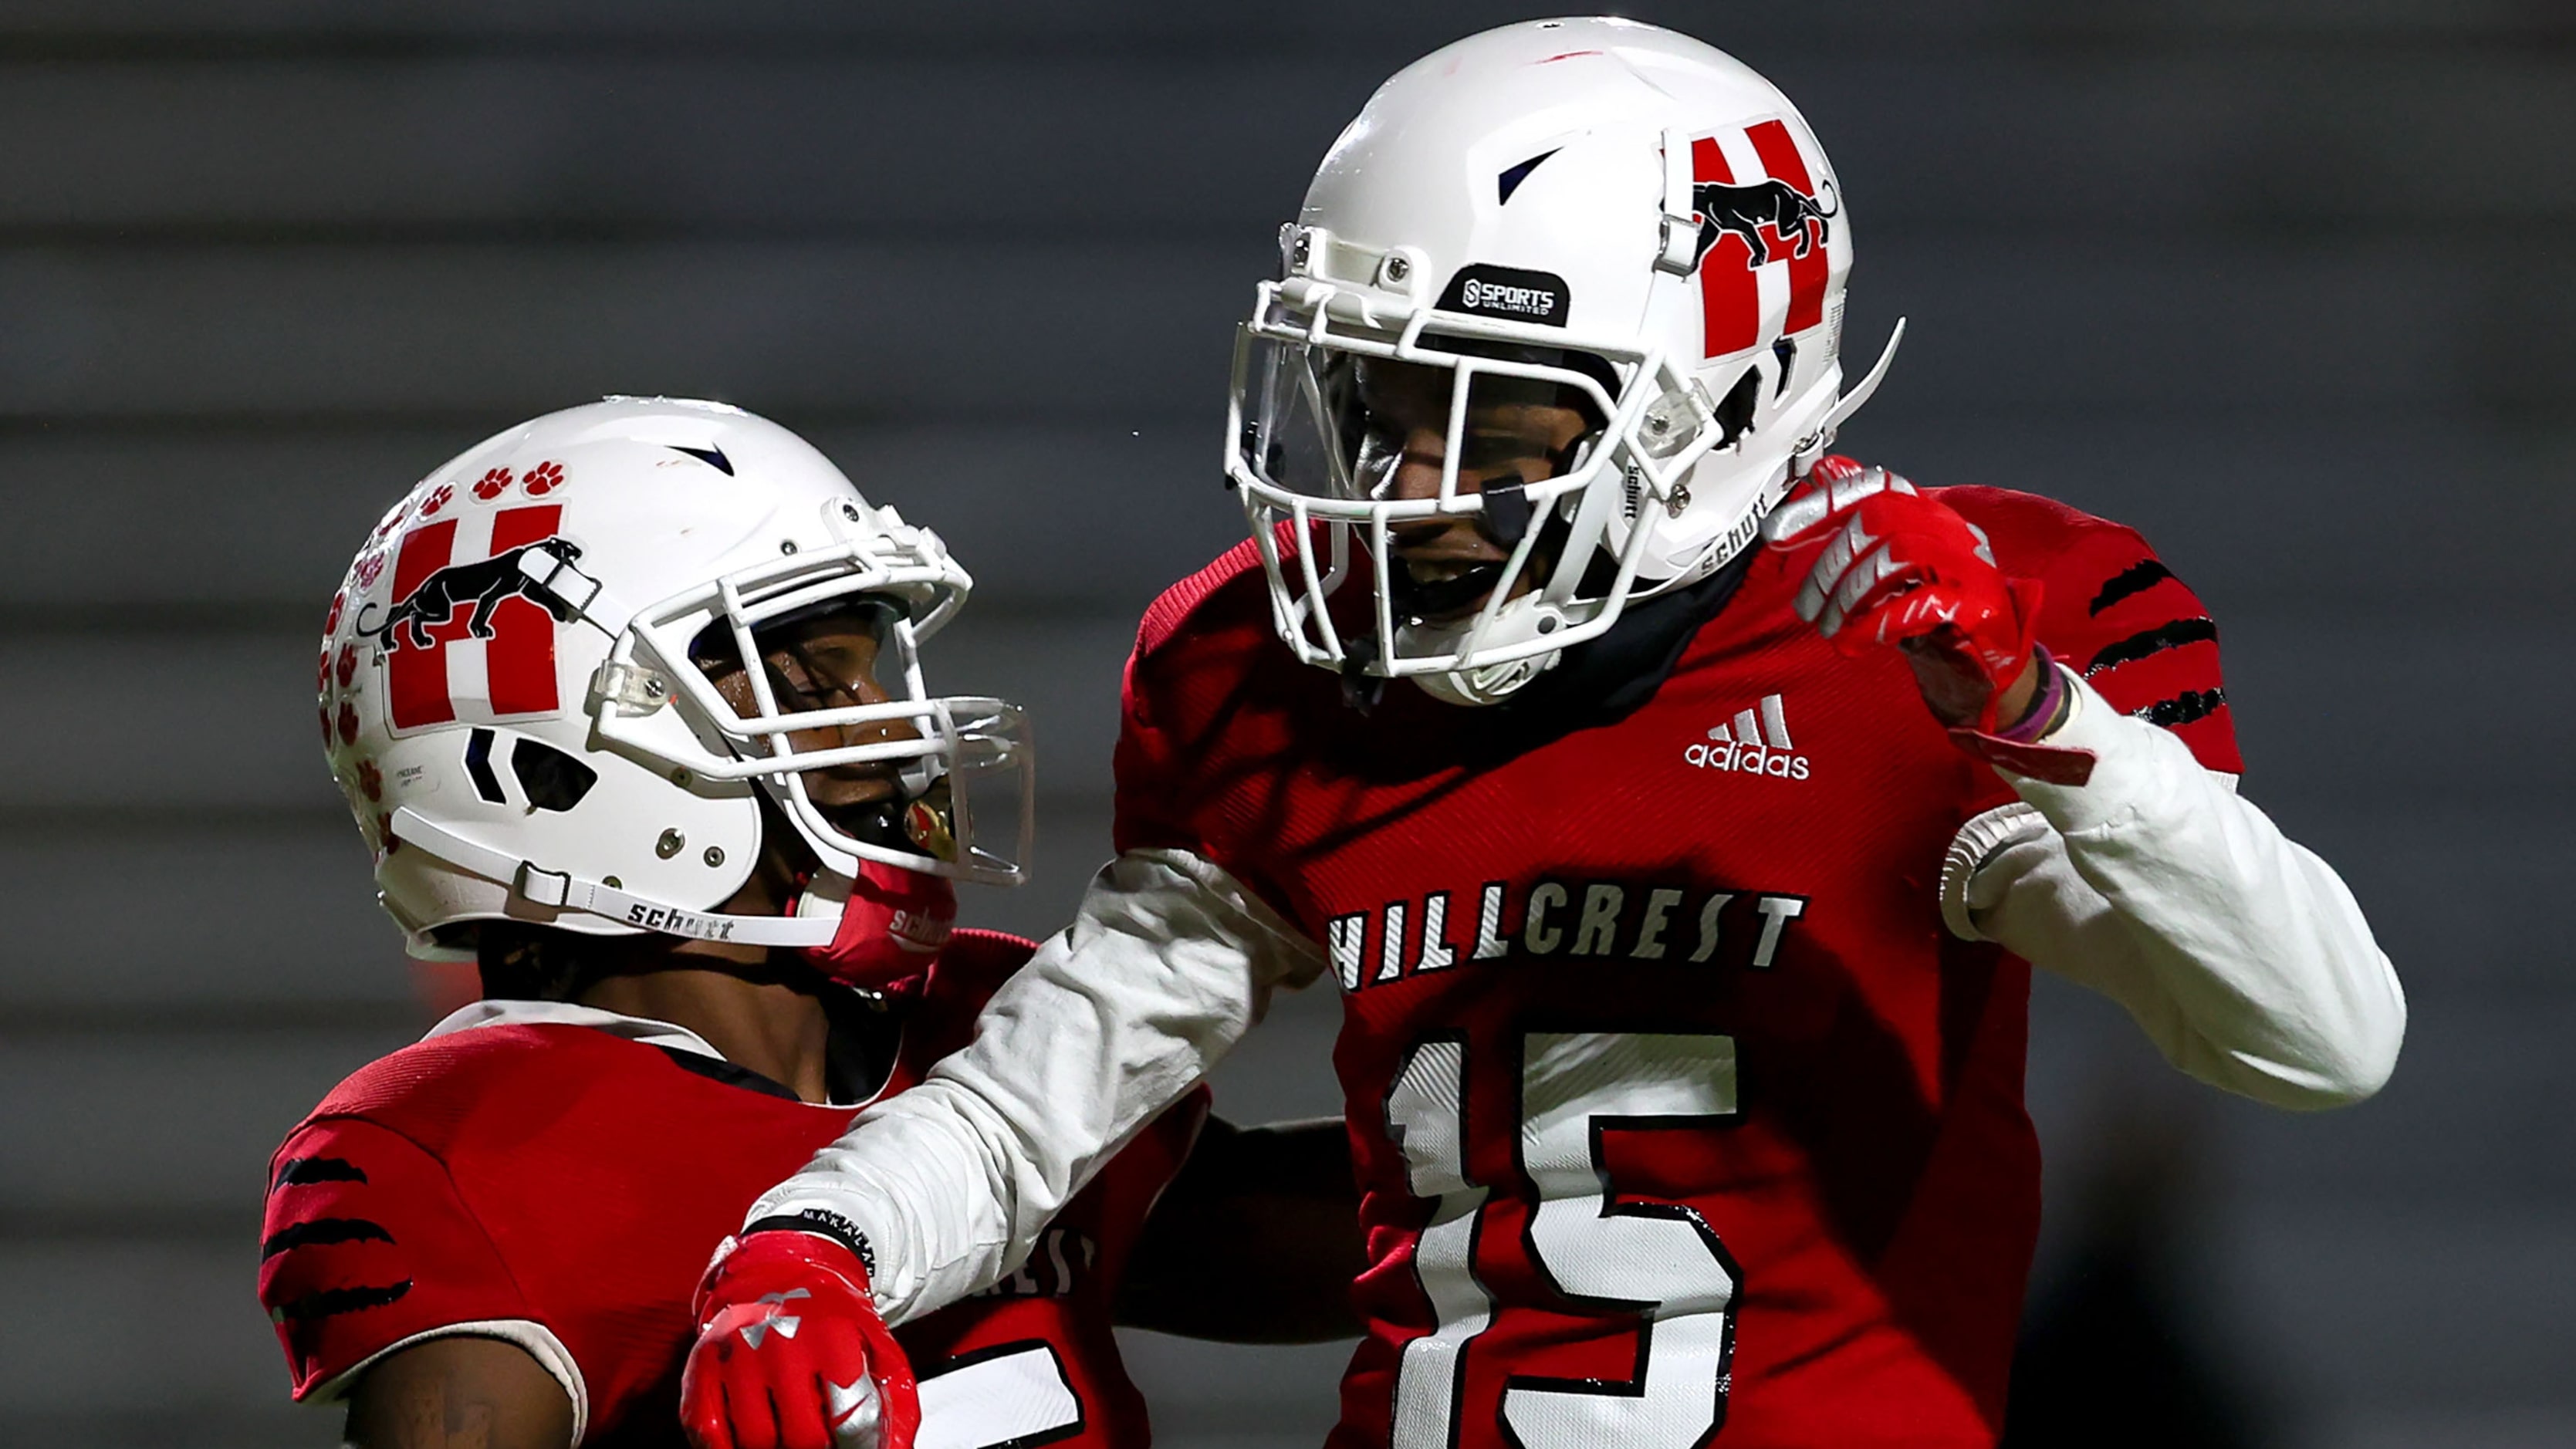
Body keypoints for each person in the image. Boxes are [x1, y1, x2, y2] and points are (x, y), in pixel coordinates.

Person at [678, 19, 2408, 1449]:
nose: (1407, 496)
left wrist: (2044, 722)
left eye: (1490, 426)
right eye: (1374, 409)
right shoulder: (1262, 673)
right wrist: (813, 1245)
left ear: (1715, 402)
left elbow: (2320, 1034)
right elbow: (1027, 1111)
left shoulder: (1950, 646)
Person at [261, 397, 1360, 1449]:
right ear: (549, 761)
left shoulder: (964, 1028)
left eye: (870, 670)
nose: (888, 731)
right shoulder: (472, 1147)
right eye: (814, 680)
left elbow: (1326, 1230)